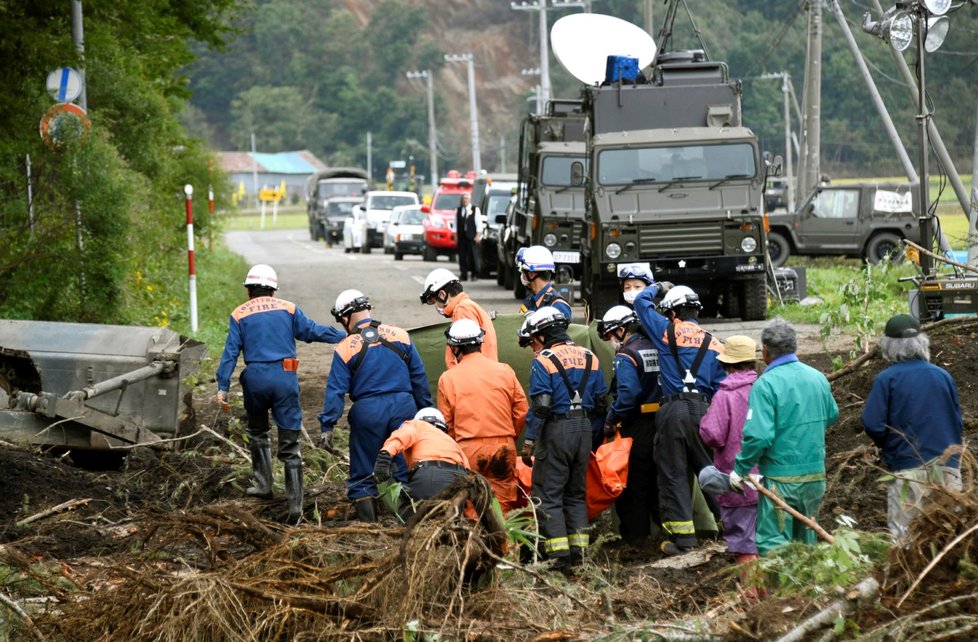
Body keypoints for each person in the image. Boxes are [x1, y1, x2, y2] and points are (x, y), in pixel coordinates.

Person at [216, 264, 345, 524]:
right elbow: (312, 331)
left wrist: (222, 386)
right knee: (290, 441)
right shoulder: (288, 308)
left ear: (249, 289)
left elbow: (231, 352)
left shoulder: (239, 314)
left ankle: (263, 486)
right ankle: (295, 503)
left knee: (257, 431)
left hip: (255, 379)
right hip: (284, 377)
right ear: (273, 290)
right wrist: (344, 336)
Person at [318, 289, 433, 522]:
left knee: (363, 472)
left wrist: (327, 425)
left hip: (368, 411)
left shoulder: (345, 347)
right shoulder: (400, 335)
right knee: (403, 465)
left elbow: (336, 390)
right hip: (404, 406)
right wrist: (424, 412)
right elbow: (419, 379)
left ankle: (369, 529)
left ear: (345, 316)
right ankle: (408, 524)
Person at [732, 318, 839, 556]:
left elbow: (758, 436)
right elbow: (831, 414)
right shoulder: (817, 377)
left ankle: (781, 593)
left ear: (766, 351)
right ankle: (808, 592)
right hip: (815, 477)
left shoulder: (765, 384)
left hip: (781, 480)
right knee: (807, 542)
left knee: (774, 545)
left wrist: (740, 470)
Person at [632, 283, 725, 555]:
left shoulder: (665, 331)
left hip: (673, 411)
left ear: (673, 313)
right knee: (709, 471)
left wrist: (658, 286)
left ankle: (684, 541)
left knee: (674, 475)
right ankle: (734, 527)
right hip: (705, 411)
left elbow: (640, 302)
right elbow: (721, 387)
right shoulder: (714, 342)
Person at [861, 313, 963, 544]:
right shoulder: (943, 376)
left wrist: (887, 446)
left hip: (909, 470)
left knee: (904, 540)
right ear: (922, 342)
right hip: (948, 469)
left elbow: (872, 424)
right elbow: (957, 420)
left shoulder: (887, 380)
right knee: (951, 538)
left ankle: (910, 581)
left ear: (888, 346)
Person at [520, 307, 608, 568]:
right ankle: (580, 554)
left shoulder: (544, 360)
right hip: (583, 429)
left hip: (557, 430)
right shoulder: (590, 357)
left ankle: (559, 556)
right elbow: (601, 402)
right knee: (576, 494)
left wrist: (529, 440)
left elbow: (542, 404)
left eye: (534, 338)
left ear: (543, 334)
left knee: (549, 494)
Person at [437, 318, 528, 514]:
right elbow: (521, 410)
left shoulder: (448, 378)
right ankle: (503, 543)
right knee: (502, 506)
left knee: (472, 503)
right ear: (480, 342)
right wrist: (509, 436)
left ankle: (476, 541)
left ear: (455, 348)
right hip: (503, 446)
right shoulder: (505, 371)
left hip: (468, 449)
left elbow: (447, 424)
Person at [597, 305, 662, 544]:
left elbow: (628, 394)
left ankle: (636, 538)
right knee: (658, 481)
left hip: (636, 426)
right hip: (660, 422)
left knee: (633, 484)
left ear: (622, 330)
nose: (611, 341)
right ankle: (666, 532)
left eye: (611, 336)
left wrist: (611, 420)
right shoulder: (655, 347)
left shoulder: (626, 356)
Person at [698, 335, 760, 562]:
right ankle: (772, 594)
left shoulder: (725, 395)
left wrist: (704, 421)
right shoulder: (763, 388)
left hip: (736, 479)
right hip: (769, 479)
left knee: (743, 543)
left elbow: (712, 434)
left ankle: (753, 597)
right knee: (766, 541)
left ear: (727, 365)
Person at [374, 408, 470, 503]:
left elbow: (400, 437)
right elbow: (467, 469)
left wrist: (384, 456)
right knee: (451, 516)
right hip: (459, 480)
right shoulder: (452, 442)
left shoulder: (417, 425)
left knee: (418, 515)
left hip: (430, 475)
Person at [420, 268, 498, 367]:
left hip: (474, 376)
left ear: (442, 295)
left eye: (435, 301)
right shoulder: (467, 306)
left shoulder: (462, 310)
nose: (436, 305)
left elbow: (468, 352)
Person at [517, 246, 573, 322]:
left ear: (531, 274)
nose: (522, 276)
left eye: (523, 272)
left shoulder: (558, 306)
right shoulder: (530, 301)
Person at [455, 192, 482, 281]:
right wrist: (455, 235)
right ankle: (464, 274)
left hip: (472, 237)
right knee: (462, 256)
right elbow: (455, 224)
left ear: (469, 199)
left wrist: (478, 235)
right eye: (463, 198)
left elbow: (479, 224)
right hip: (462, 237)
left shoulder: (475, 209)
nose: (465, 200)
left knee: (473, 256)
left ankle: (475, 274)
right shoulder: (458, 210)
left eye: (466, 198)